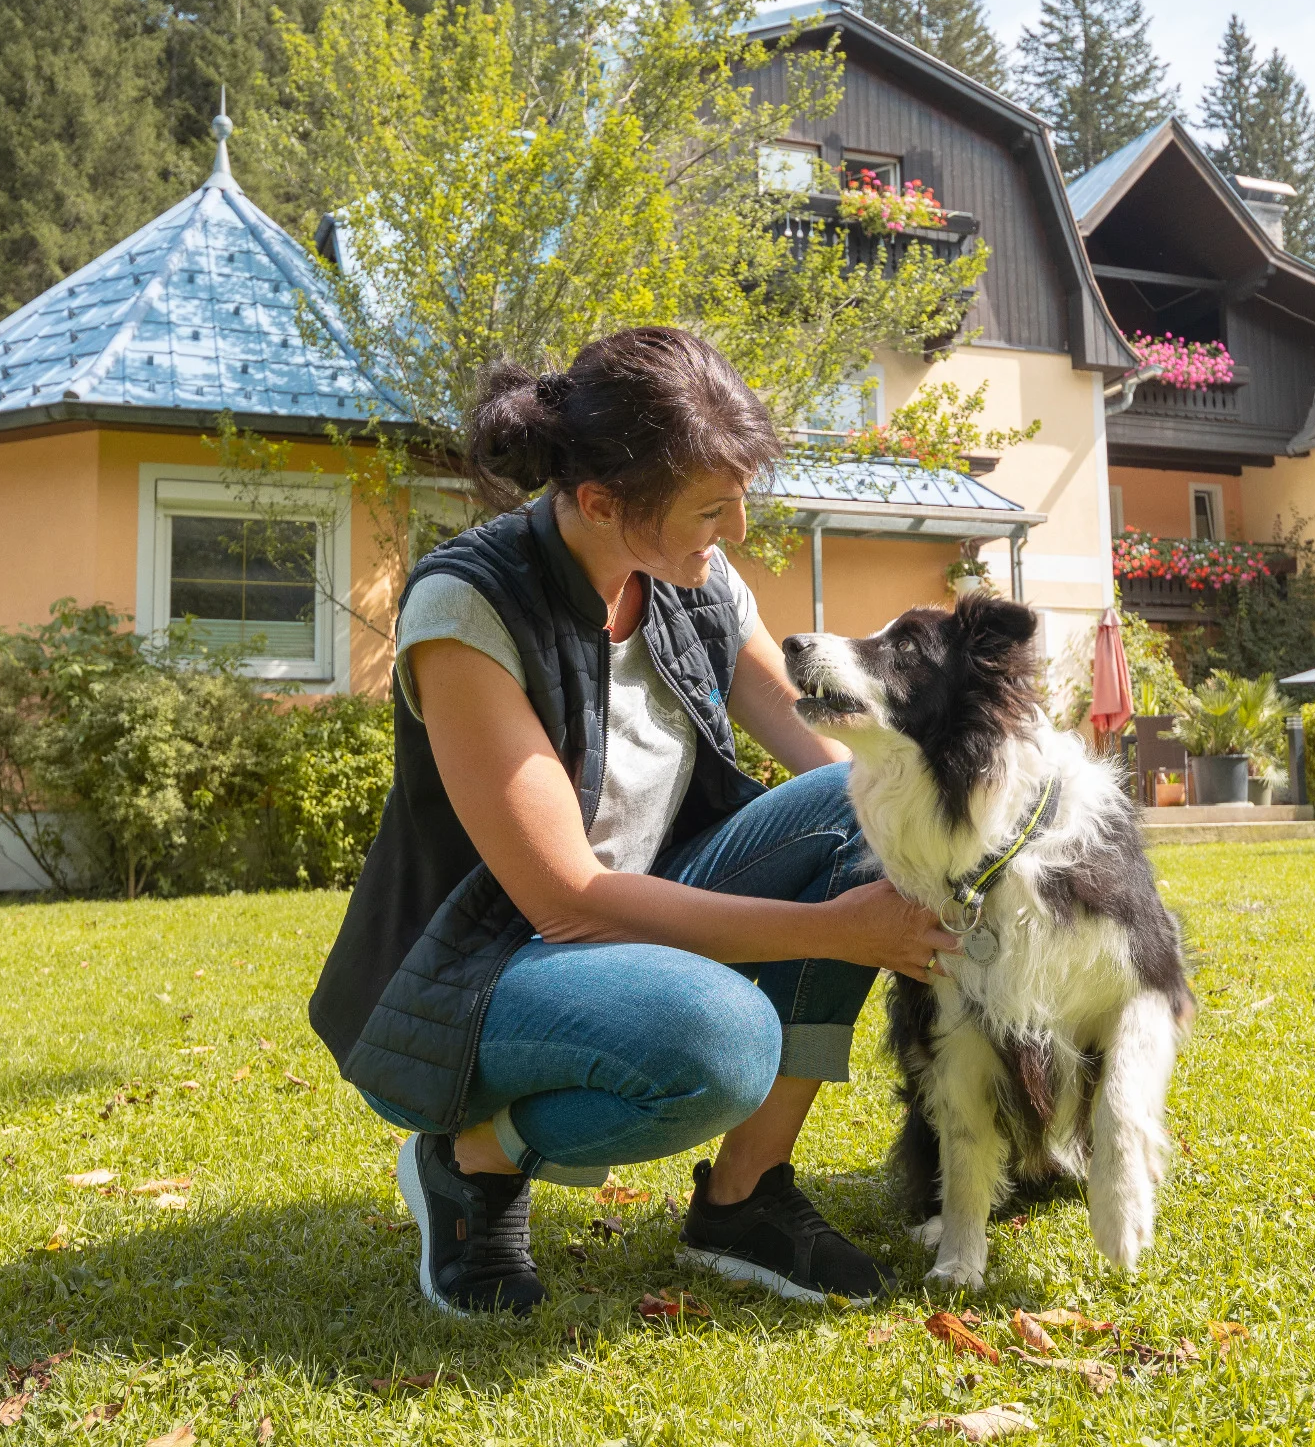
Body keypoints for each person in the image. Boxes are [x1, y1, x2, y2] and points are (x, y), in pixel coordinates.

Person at [309, 327, 956, 1316]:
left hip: (650, 911)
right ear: (601, 504)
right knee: (719, 1045)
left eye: (738, 496)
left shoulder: (692, 579)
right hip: (483, 965)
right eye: (710, 507)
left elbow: (804, 735)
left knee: (863, 804)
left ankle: (743, 1198)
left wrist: (925, 857)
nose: (734, 528)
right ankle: (473, 1158)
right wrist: (840, 930)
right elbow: (566, 899)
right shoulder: (466, 609)